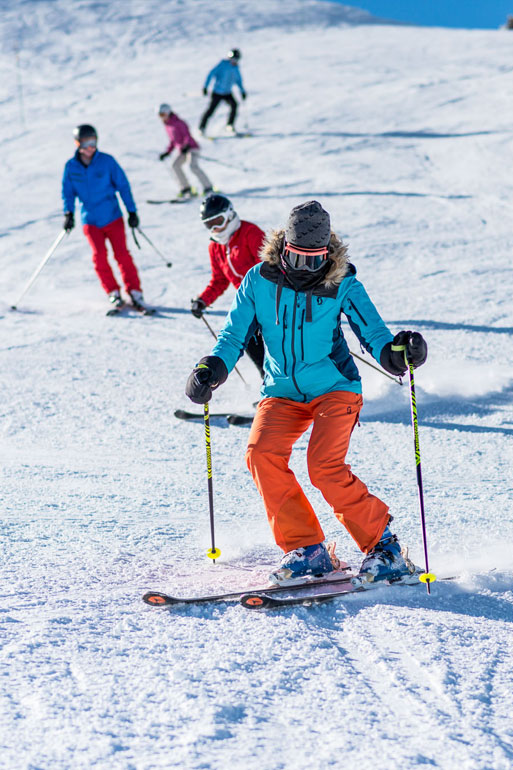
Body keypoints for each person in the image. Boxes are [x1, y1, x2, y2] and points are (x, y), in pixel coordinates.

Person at [184, 201, 428, 584]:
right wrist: (211, 369)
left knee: (324, 467)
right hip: (281, 391)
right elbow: (233, 335)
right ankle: (308, 549)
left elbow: (376, 336)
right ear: (284, 249)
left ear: (326, 254)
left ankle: (385, 549)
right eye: (298, 259)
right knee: (261, 454)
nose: (306, 269)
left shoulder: (341, 281)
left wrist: (400, 355)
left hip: (335, 388)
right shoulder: (257, 280)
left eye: (315, 261)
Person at [61, 123, 149, 314]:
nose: (89, 147)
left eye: (93, 142)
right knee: (99, 257)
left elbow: (123, 187)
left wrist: (132, 212)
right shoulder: (71, 166)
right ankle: (113, 291)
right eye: (85, 143)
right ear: (77, 144)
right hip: (90, 220)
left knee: (122, 255)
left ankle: (134, 291)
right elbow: (68, 193)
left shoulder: (107, 161)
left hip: (113, 217)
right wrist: (68, 213)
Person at [192, 194, 266, 376]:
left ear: (230, 214)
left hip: (269, 297)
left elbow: (269, 267)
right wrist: (203, 300)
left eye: (219, 221)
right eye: (210, 224)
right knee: (246, 338)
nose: (216, 228)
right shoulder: (215, 247)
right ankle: (268, 380)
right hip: (248, 303)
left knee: (276, 341)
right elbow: (219, 280)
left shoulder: (250, 233)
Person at [157, 104, 214, 199]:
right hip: (182, 150)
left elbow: (187, 135)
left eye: (162, 114)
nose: (161, 117)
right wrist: (167, 152)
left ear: (167, 112)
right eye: (160, 115)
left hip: (191, 148)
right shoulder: (168, 125)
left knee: (193, 166)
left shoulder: (179, 122)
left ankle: (208, 187)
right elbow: (173, 141)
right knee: (175, 165)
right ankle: (186, 188)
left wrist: (186, 145)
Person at [199, 48, 246, 135]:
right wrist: (205, 86)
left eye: (236, 59)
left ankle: (229, 125)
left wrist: (242, 91)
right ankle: (202, 128)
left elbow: (238, 81)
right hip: (218, 92)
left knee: (234, 106)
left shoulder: (236, 68)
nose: (234, 61)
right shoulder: (223, 65)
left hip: (227, 93)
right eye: (233, 59)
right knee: (211, 110)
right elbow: (211, 74)